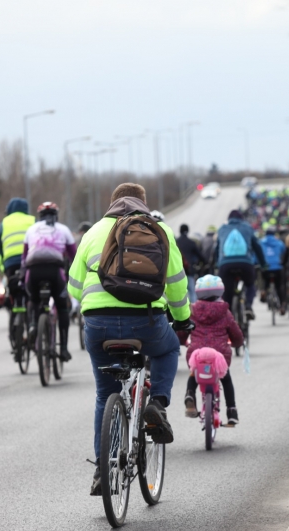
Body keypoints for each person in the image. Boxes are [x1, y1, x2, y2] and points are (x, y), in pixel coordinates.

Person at [68, 182, 192, 496]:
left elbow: (73, 287)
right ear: (143, 203)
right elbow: (177, 283)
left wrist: (94, 304)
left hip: (98, 325)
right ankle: (158, 404)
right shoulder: (159, 230)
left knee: (104, 394)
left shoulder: (93, 232)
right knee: (169, 349)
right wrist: (182, 319)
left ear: (112, 203)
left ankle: (103, 468)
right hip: (146, 322)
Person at [177, 275, 243, 425]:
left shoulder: (192, 311)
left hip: (197, 353)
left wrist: (182, 341)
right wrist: (237, 343)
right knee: (226, 378)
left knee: (194, 373)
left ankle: (190, 394)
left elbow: (183, 331)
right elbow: (236, 334)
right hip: (219, 354)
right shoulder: (225, 312)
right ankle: (232, 410)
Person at [22, 202, 77, 362]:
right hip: (55, 271)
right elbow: (75, 256)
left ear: (40, 216)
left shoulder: (31, 230)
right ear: (56, 215)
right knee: (62, 307)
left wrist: (22, 276)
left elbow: (24, 258)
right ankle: (64, 349)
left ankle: (33, 325)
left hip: (33, 271)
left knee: (33, 300)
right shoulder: (63, 229)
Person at [0, 198, 36, 353]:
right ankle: (32, 324)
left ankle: (14, 335)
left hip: (10, 264)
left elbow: (0, 250)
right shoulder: (32, 220)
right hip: (29, 261)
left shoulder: (3, 223)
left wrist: (5, 265)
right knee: (31, 294)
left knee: (13, 297)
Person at [214, 210, 267, 320]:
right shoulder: (247, 227)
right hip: (245, 263)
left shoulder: (222, 229)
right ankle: (248, 306)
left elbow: (216, 249)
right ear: (242, 219)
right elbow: (257, 247)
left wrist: (216, 263)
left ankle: (228, 314)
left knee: (226, 291)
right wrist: (263, 264)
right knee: (250, 284)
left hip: (225, 264)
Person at [176, 224, 206, 303]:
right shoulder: (191, 242)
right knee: (192, 291)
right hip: (189, 271)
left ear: (180, 231)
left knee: (181, 293)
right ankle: (193, 309)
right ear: (187, 231)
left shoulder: (176, 242)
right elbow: (200, 255)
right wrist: (205, 262)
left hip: (178, 271)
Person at [259, 226, 287, 313]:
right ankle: (282, 305)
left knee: (265, 280)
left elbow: (257, 253)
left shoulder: (261, 242)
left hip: (266, 267)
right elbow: (284, 251)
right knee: (279, 286)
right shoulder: (279, 242)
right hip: (277, 267)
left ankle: (264, 290)